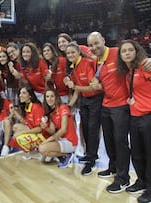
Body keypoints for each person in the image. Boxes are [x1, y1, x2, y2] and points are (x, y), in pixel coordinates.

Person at [87, 32, 151, 190]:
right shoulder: (96, 60)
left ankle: (123, 178)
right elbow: (100, 77)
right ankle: (113, 167)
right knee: (109, 140)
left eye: (96, 43)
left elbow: (136, 58)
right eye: (91, 45)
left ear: (103, 40)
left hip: (121, 106)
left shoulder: (116, 52)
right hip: (106, 104)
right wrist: (97, 82)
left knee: (120, 142)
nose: (94, 47)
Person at [117, 39, 151, 203]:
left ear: (136, 52)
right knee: (137, 153)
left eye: (130, 50)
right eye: (123, 51)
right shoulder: (128, 71)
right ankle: (142, 182)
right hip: (135, 117)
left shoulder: (145, 66)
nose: (127, 53)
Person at [64, 41, 103, 176]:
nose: (70, 55)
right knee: (85, 128)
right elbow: (77, 91)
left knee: (93, 129)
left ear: (78, 52)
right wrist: (69, 105)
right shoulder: (72, 67)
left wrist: (74, 87)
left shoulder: (87, 63)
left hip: (96, 99)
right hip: (84, 100)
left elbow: (93, 87)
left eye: (72, 52)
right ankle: (90, 154)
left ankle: (91, 162)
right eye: (68, 53)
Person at [38, 89, 78, 168]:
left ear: (56, 97)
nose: (49, 99)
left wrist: (47, 141)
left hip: (70, 141)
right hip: (61, 140)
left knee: (42, 148)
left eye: (52, 96)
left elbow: (63, 130)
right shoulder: (52, 113)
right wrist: (45, 127)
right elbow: (52, 131)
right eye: (47, 97)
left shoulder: (63, 108)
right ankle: (61, 155)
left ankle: (67, 155)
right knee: (44, 156)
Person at [10, 85, 45, 159]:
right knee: (15, 127)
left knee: (18, 136)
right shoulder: (27, 105)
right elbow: (25, 123)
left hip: (42, 135)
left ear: (30, 95)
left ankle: (37, 150)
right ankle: (33, 150)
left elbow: (40, 129)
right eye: (20, 93)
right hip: (34, 130)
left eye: (24, 93)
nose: (20, 95)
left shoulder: (36, 107)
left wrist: (22, 133)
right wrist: (14, 112)